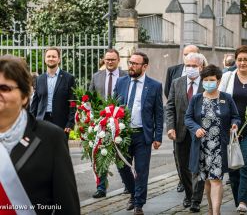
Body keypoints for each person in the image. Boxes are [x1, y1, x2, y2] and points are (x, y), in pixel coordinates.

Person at [0, 55, 80, 214]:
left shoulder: (51, 138)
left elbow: (66, 207)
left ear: (24, 96)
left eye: (4, 88)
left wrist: (70, 123)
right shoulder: (42, 78)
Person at [185, 64, 241, 215]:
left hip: (219, 146)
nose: (208, 82)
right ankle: (210, 208)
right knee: (208, 181)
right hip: (201, 146)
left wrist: (234, 125)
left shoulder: (226, 98)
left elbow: (235, 117)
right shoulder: (196, 99)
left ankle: (216, 212)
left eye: (212, 80)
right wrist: (195, 128)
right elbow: (188, 118)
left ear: (218, 81)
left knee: (217, 180)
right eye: (206, 79)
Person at [114, 52, 163, 215]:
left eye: (135, 63)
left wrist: (158, 136)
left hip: (143, 135)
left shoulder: (154, 85)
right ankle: (134, 194)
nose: (131, 66)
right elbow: (113, 107)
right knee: (122, 167)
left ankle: (138, 204)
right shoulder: (121, 82)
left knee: (141, 170)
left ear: (144, 66)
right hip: (123, 134)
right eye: (130, 62)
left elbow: (159, 112)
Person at [166, 52, 205, 212]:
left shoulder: (207, 83)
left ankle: (196, 200)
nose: (190, 68)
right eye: (188, 65)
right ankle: (189, 195)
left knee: (200, 167)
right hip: (180, 132)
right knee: (183, 167)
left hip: (200, 132)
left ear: (201, 67)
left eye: (194, 66)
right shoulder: (177, 83)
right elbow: (170, 107)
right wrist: (170, 127)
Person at [89, 48, 127, 198]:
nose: (110, 62)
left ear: (118, 60)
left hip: (121, 120)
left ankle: (127, 184)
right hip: (102, 121)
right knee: (101, 153)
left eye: (113, 59)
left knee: (121, 154)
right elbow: (90, 97)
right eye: (107, 59)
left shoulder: (126, 76)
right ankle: (101, 187)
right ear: (103, 60)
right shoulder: (96, 76)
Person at [219, 45, 247, 213]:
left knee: (246, 163)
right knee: (233, 167)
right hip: (230, 128)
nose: (242, 62)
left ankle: (244, 201)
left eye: (246, 59)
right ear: (236, 61)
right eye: (240, 59)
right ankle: (239, 199)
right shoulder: (228, 77)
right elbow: (219, 98)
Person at [30, 47, 75, 139]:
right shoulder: (39, 79)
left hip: (61, 123)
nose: (51, 59)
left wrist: (70, 123)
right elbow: (35, 103)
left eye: (54, 56)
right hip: (41, 122)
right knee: (42, 151)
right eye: (48, 56)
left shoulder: (69, 78)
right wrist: (31, 122)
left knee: (59, 151)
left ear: (59, 59)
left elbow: (73, 102)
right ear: (45, 59)